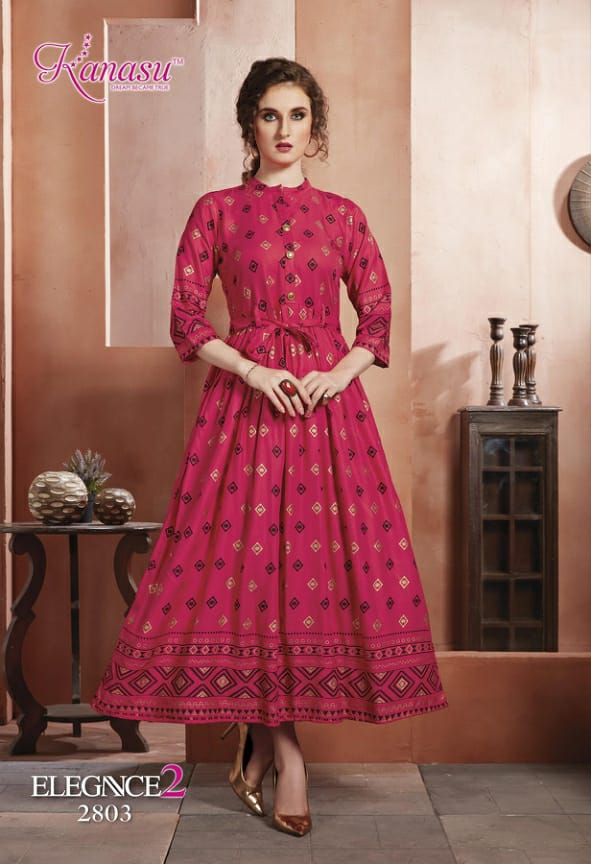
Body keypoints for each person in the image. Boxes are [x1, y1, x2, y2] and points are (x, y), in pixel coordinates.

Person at [92, 57, 448, 838]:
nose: (283, 130)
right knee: (244, 575)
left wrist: (335, 372)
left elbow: (377, 314)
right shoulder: (216, 211)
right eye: (268, 115)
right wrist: (254, 370)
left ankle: (260, 746)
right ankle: (286, 756)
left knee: (307, 579)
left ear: (314, 128)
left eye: (297, 116)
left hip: (324, 416)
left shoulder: (344, 217)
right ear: (248, 125)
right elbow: (187, 318)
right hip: (243, 414)